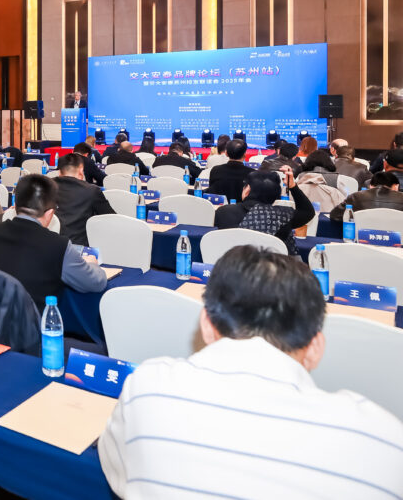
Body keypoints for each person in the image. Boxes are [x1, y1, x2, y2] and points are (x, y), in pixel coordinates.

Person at [99, 245, 403, 498]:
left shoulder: (146, 387)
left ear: (206, 324)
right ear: (315, 348)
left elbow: (120, 474)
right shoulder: (383, 440)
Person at [0, 175, 107, 310]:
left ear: (15, 206)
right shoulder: (57, 245)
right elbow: (96, 283)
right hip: (36, 321)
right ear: (50, 214)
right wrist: (93, 264)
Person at [214, 167, 314, 253]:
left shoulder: (223, 212)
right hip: (270, 268)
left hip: (229, 266)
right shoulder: (284, 216)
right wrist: (293, 187)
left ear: (247, 189)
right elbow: (308, 212)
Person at [52, 152, 115, 246]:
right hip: (79, 246)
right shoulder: (91, 191)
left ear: (59, 172)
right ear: (81, 171)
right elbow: (110, 218)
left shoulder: (46, 187)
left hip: (50, 244)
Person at [329, 171, 403, 225]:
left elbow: (335, 216)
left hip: (361, 239)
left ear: (370, 185)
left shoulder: (356, 196)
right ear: (396, 186)